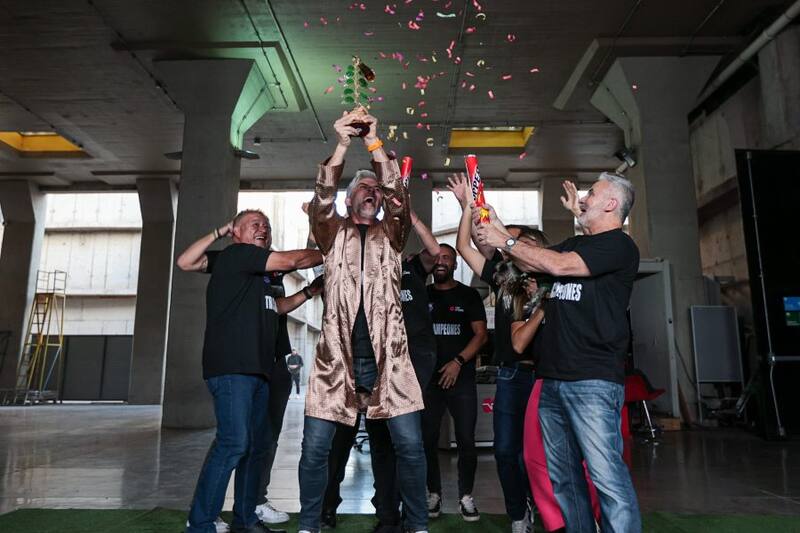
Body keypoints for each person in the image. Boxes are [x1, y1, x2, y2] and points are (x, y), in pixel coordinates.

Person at [475, 173, 642, 533]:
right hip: (552, 380)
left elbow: (560, 265)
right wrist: (495, 223)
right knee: (563, 478)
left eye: (591, 193)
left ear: (611, 204)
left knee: (607, 479)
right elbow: (534, 262)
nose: (583, 198)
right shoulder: (577, 244)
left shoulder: (619, 246)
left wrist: (504, 239)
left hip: (592, 381)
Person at [298, 108, 428, 533]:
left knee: (410, 447)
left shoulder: (393, 235)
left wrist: (373, 141)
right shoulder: (331, 233)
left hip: (389, 363)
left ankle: (417, 525)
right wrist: (342, 144)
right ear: (349, 198)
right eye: (364, 188)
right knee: (316, 450)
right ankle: (310, 523)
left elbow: (399, 198)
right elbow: (321, 198)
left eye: (376, 188)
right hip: (336, 364)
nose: (373, 192)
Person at [181, 210, 323, 533]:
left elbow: (277, 307)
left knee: (256, 446)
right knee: (234, 442)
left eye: (267, 226)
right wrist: (337, 248)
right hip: (233, 368)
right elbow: (295, 259)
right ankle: (201, 522)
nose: (263, 230)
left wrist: (309, 292)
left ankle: (246, 519)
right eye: (255, 225)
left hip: (259, 370)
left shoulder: (260, 277)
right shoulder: (237, 255)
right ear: (236, 232)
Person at [319, 209, 440, 533]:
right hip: (362, 365)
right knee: (353, 443)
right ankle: (351, 512)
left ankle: (406, 519)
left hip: (403, 368)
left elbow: (435, 252)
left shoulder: (411, 266)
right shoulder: (362, 268)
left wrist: (410, 215)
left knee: (404, 445)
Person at [448, 171, 547, 533]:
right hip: (510, 375)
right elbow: (464, 247)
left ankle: (543, 506)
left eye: (516, 241)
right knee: (505, 451)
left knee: (535, 453)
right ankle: (519, 515)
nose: (508, 246)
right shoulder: (505, 277)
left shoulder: (551, 279)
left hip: (545, 376)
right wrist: (466, 205)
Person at [422, 243, 488, 522]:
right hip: (428, 380)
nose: (440, 261)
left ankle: (466, 497)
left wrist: (458, 362)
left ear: (454, 263)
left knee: (466, 440)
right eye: (436, 257)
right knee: (427, 440)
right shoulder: (422, 295)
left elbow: (481, 335)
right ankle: (433, 494)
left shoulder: (468, 295)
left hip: (461, 379)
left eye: (446, 257)